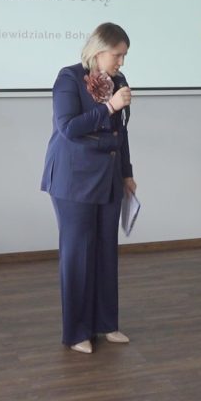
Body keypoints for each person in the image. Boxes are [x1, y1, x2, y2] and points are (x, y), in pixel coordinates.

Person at [41, 22, 137, 354]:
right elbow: (68, 127)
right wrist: (109, 106)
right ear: (98, 51)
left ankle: (106, 323)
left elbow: (121, 132)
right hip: (73, 179)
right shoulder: (69, 79)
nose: (121, 62)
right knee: (78, 254)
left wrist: (126, 172)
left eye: (124, 56)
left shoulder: (118, 81)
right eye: (117, 55)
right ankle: (77, 332)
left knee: (106, 251)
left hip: (108, 175)